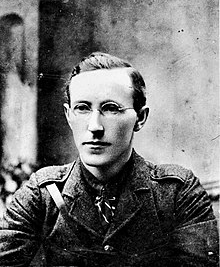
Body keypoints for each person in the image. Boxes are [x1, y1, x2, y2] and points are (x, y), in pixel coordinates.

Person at [0, 52, 219, 267]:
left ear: (140, 117)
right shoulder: (42, 193)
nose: (94, 126)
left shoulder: (176, 192)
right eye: (82, 108)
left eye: (111, 108)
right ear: (69, 116)